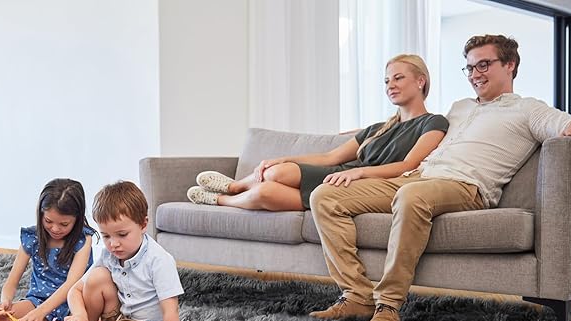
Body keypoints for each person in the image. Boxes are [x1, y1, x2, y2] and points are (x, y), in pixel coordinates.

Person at [309, 34, 571, 321]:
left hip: (465, 186)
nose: (475, 74)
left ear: (510, 65)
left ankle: (388, 304)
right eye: (470, 68)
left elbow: (567, 123)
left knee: (412, 196)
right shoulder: (459, 107)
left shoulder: (528, 109)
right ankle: (356, 295)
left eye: (484, 65)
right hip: (418, 177)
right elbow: (413, 127)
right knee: (325, 196)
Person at [186, 55, 448, 211]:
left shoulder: (434, 122)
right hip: (339, 173)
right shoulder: (378, 128)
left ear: (420, 81)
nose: (390, 85)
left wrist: (359, 172)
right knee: (276, 172)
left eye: (398, 78)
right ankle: (234, 186)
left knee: (265, 193)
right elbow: (330, 158)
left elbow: (408, 165)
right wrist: (283, 158)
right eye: (387, 80)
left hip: (363, 183)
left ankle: (220, 200)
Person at [64, 181, 183, 321]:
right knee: (97, 277)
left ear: (143, 224)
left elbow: (171, 311)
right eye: (106, 236)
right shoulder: (109, 255)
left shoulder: (159, 260)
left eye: (122, 234)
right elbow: (75, 290)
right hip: (120, 316)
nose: (113, 244)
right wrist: (80, 316)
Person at [0, 178, 96, 321]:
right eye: (48, 221)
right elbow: (11, 282)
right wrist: (5, 301)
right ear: (40, 214)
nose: (55, 229)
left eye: (64, 224)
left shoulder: (83, 239)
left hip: (75, 305)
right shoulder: (32, 237)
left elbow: (71, 284)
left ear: (77, 219)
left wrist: (41, 312)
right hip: (37, 301)